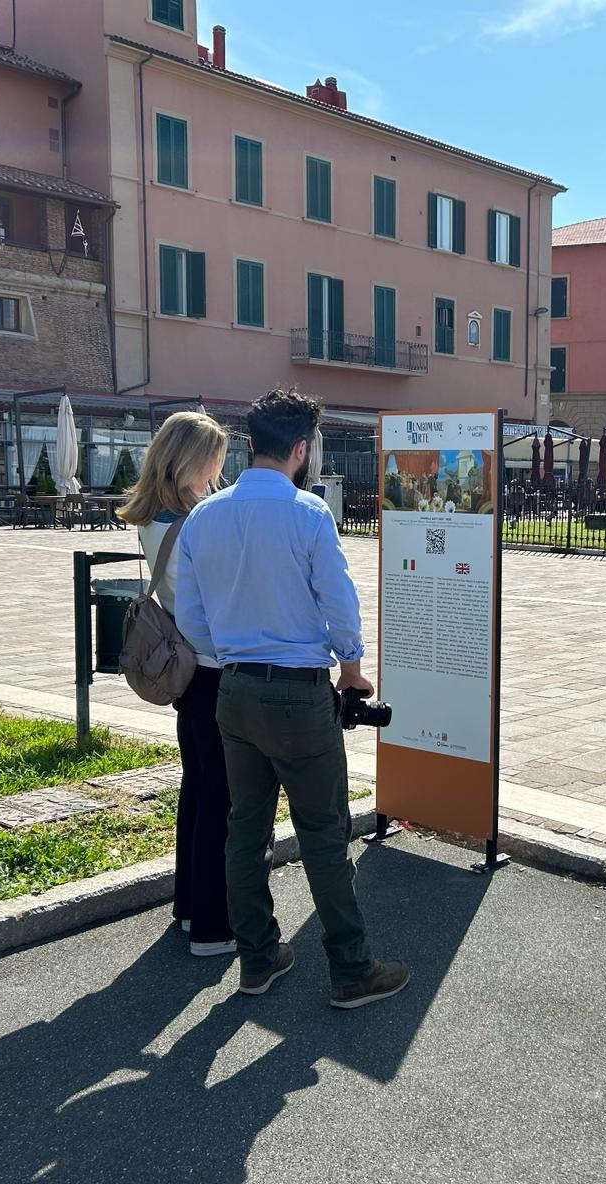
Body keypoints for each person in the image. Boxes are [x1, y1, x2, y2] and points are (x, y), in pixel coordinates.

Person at [176, 389, 409, 1009]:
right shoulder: (308, 514)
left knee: (243, 831)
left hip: (233, 689)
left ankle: (257, 958)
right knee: (323, 834)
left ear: (252, 444)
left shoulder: (204, 517)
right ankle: (351, 969)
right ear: (302, 449)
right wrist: (353, 672)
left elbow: (192, 620)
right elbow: (340, 602)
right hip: (300, 695)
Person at [116, 411, 235, 958]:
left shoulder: (153, 517)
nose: (221, 466)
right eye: (215, 456)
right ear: (192, 459)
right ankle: (212, 925)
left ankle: (189, 907)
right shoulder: (200, 521)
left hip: (184, 670)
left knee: (198, 791)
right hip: (213, 667)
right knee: (220, 800)